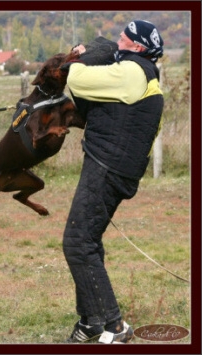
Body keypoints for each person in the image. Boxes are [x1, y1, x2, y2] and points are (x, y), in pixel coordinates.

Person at [61, 20, 164, 344]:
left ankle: (114, 327)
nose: (119, 40)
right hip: (114, 166)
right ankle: (92, 320)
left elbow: (76, 79)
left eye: (124, 37)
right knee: (87, 239)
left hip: (108, 167)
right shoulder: (141, 73)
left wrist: (82, 54)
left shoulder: (133, 72)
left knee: (77, 242)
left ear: (137, 46)